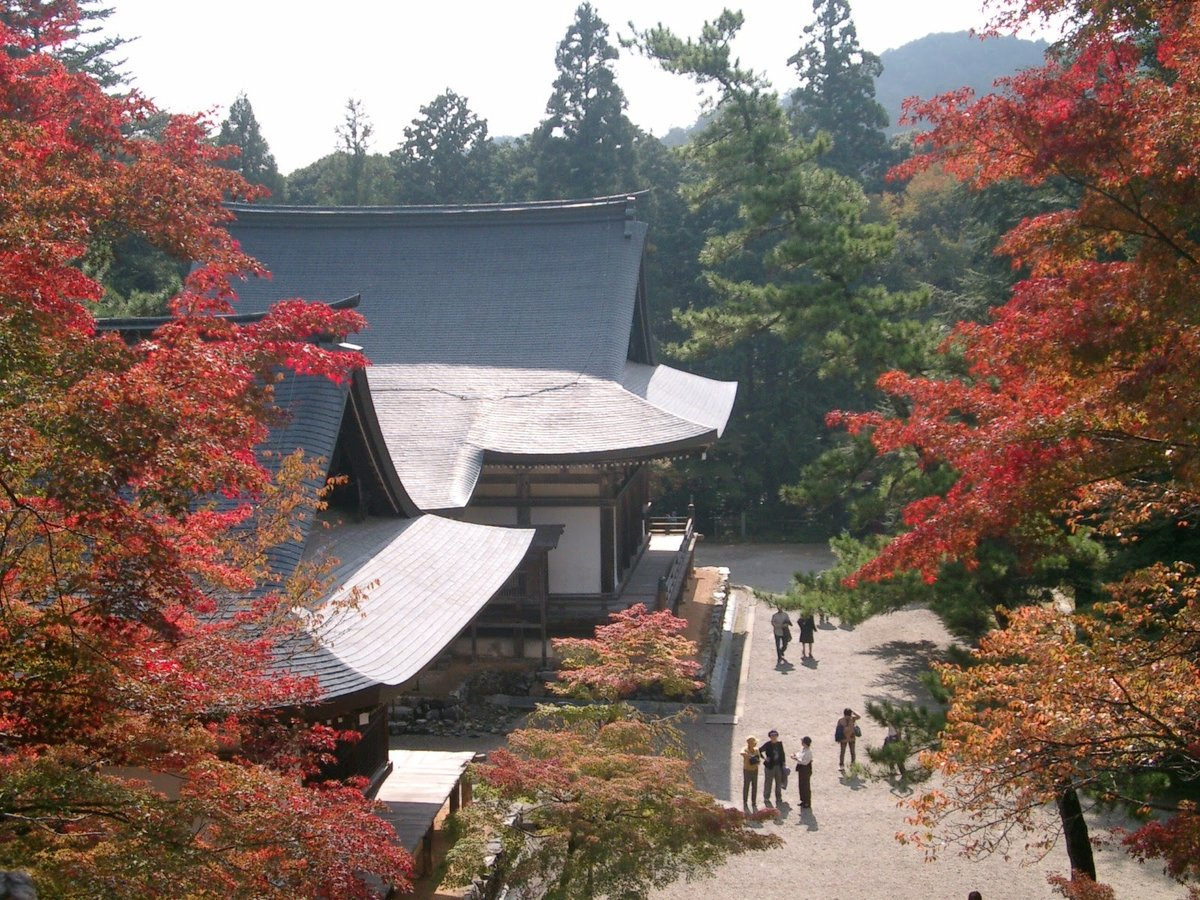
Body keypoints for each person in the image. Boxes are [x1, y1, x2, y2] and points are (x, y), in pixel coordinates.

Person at [760, 729, 787, 806]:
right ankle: (766, 797)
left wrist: (784, 763)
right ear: (770, 737)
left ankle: (778, 798)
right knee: (768, 782)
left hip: (778, 766)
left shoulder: (779, 744)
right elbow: (759, 751)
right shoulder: (767, 744)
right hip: (769, 767)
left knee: (778, 782)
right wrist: (764, 758)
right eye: (772, 736)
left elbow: (782, 753)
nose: (774, 737)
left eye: (775, 735)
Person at [836, 707, 861, 771]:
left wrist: (838, 739)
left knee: (842, 752)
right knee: (852, 752)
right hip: (851, 738)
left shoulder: (840, 720)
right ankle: (853, 765)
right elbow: (859, 716)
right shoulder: (852, 719)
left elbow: (838, 730)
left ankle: (841, 766)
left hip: (843, 738)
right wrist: (853, 712)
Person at [791, 735, 813, 807]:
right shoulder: (803, 749)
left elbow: (805, 762)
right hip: (801, 768)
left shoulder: (809, 752)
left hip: (805, 769)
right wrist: (795, 755)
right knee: (801, 785)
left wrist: (796, 759)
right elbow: (799, 755)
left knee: (806, 786)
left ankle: (807, 802)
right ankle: (803, 800)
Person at [740, 735, 761, 810]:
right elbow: (741, 752)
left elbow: (758, 759)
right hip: (747, 770)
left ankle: (753, 801)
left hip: (755, 770)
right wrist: (747, 755)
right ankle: (745, 801)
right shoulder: (745, 749)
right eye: (752, 742)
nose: (754, 744)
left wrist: (754, 759)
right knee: (746, 786)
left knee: (754, 786)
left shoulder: (756, 750)